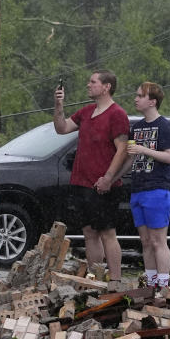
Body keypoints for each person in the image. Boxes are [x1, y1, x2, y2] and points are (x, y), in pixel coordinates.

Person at [98, 81, 170, 289]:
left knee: (158, 240)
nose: (136, 99)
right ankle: (150, 284)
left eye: (140, 96)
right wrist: (115, 177)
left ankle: (163, 286)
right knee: (145, 240)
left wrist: (145, 150)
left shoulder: (164, 126)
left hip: (158, 189)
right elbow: (131, 159)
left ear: (152, 101)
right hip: (138, 189)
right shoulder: (138, 127)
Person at [54, 70, 130, 286]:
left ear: (106, 87)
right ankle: (95, 280)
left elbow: (122, 149)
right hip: (81, 182)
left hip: (103, 185)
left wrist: (108, 177)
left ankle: (115, 280)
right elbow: (62, 128)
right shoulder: (87, 112)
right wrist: (58, 105)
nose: (88, 85)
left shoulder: (117, 114)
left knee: (107, 232)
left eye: (93, 82)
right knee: (89, 232)